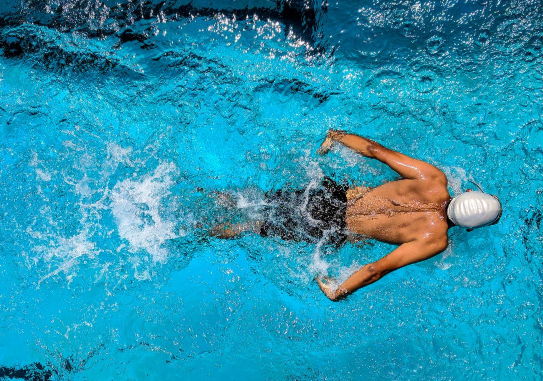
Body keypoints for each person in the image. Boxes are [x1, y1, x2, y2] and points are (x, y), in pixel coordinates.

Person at [209, 129, 502, 301]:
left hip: (329, 196)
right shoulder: (435, 239)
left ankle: (210, 196)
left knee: (252, 201)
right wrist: (339, 290)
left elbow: (375, 150)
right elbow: (377, 269)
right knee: (253, 226)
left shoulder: (433, 178)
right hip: (332, 229)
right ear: (470, 227)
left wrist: (337, 137)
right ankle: (201, 231)